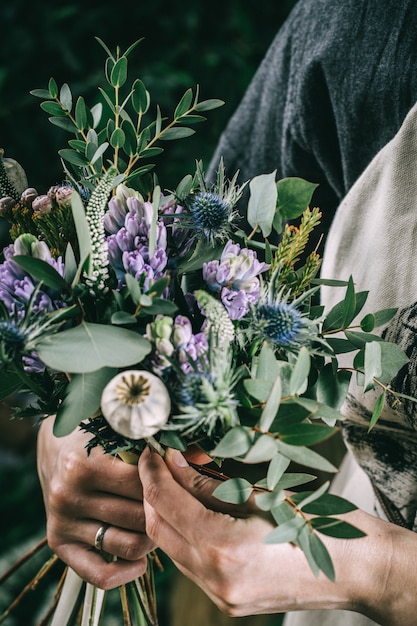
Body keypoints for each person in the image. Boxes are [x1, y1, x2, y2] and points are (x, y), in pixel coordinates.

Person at [37, 0, 417, 624]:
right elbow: (195, 266)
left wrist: (382, 574)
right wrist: (84, 412)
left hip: (339, 568)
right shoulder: (368, 30)